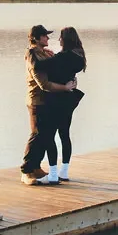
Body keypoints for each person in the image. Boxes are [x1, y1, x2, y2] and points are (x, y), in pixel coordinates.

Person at [22, 25, 75, 186]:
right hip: (37, 101)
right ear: (36, 38)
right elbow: (44, 84)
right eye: (44, 36)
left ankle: (36, 167)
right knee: (37, 135)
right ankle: (26, 171)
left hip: (48, 102)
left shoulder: (44, 54)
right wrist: (65, 87)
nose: (48, 38)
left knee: (46, 137)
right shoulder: (32, 55)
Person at [38, 26, 86, 182]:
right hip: (68, 99)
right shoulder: (79, 57)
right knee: (64, 134)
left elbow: (39, 67)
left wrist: (46, 55)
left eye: (60, 37)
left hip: (55, 99)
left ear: (65, 39)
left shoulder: (61, 57)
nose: (58, 40)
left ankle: (52, 174)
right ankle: (64, 170)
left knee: (49, 135)